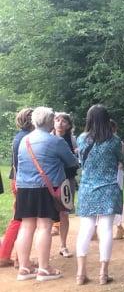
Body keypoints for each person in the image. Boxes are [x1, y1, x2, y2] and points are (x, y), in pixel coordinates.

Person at [13, 106, 79, 282]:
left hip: (24, 188)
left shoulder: (24, 140)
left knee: (26, 227)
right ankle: (44, 269)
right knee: (44, 227)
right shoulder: (55, 141)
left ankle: (24, 268)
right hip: (45, 188)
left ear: (34, 122)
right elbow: (72, 162)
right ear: (50, 122)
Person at [75, 105, 123, 285]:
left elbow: (81, 162)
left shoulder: (82, 139)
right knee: (106, 230)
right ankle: (103, 273)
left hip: (87, 188)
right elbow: (120, 160)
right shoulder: (115, 141)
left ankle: (81, 273)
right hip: (108, 188)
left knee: (85, 229)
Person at [0, 108, 34, 268]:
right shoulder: (27, 138)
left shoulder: (18, 137)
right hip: (23, 182)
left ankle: (7, 255)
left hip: (17, 180)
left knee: (20, 218)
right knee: (22, 219)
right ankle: (13, 257)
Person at [51, 112, 79, 258]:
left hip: (67, 180)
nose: (60, 123)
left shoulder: (73, 140)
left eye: (64, 121)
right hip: (50, 181)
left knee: (64, 214)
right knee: (47, 214)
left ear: (68, 125)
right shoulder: (47, 138)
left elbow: (76, 161)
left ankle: (63, 245)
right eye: (57, 119)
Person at [110, 120, 124, 239]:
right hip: (108, 173)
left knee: (115, 200)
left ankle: (119, 227)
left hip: (116, 173)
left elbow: (120, 160)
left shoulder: (117, 142)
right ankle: (95, 230)